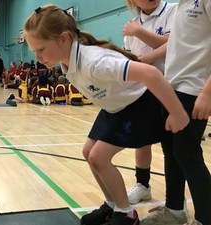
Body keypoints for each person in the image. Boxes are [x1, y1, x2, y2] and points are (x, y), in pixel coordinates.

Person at [24, 4, 189, 225]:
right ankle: (113, 206)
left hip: (141, 105)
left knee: (98, 157)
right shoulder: (68, 62)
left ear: (63, 39)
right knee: (88, 152)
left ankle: (127, 215)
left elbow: (151, 73)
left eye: (41, 49)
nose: (37, 56)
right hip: (116, 107)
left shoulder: (95, 62)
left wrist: (177, 113)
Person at [141, 1, 211, 225]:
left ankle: (206, 217)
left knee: (187, 153)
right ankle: (174, 210)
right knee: (171, 151)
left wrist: (207, 92)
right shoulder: (182, 4)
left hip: (194, 88)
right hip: (172, 88)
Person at [122, 0, 178, 205]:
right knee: (141, 140)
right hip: (143, 92)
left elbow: (174, 44)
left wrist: (139, 36)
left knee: (171, 148)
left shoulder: (173, 10)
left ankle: (174, 199)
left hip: (173, 88)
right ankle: (142, 185)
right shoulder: (132, 24)